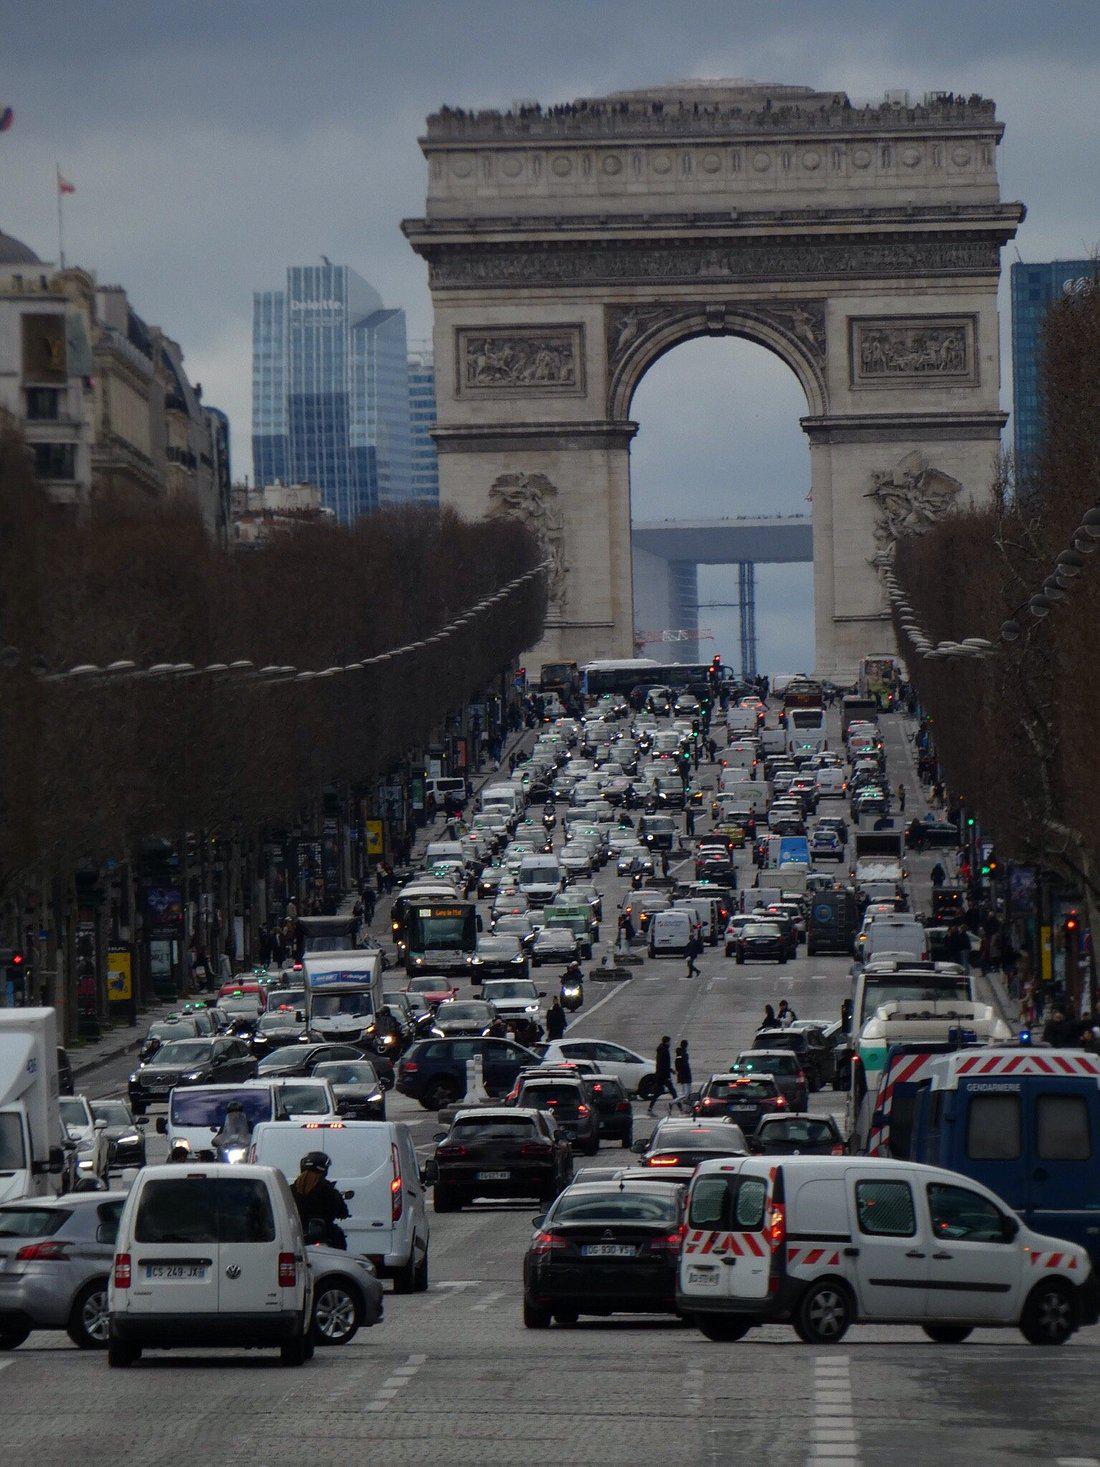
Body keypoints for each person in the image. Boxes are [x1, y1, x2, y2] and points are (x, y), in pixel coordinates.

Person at [291, 1152, 349, 1249]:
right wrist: (343, 1213)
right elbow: (341, 1210)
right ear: (324, 1169)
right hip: (324, 1235)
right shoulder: (328, 1189)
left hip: (296, 1235)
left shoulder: (290, 1189)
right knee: (339, 1242)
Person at [647, 1036, 678, 1116]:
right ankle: (681, 1109)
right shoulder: (665, 1051)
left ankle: (650, 1109)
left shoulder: (661, 1050)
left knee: (658, 1092)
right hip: (664, 1076)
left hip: (660, 1075)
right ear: (667, 1042)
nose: (670, 1043)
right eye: (669, 1042)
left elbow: (662, 1064)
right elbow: (665, 1065)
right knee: (673, 1092)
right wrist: (670, 1072)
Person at [674, 1041, 693, 1113]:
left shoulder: (681, 1054)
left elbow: (678, 1064)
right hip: (685, 1076)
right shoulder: (682, 1054)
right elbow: (681, 1065)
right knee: (686, 1094)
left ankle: (687, 1108)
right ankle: (674, 1102)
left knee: (688, 1093)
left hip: (685, 1076)